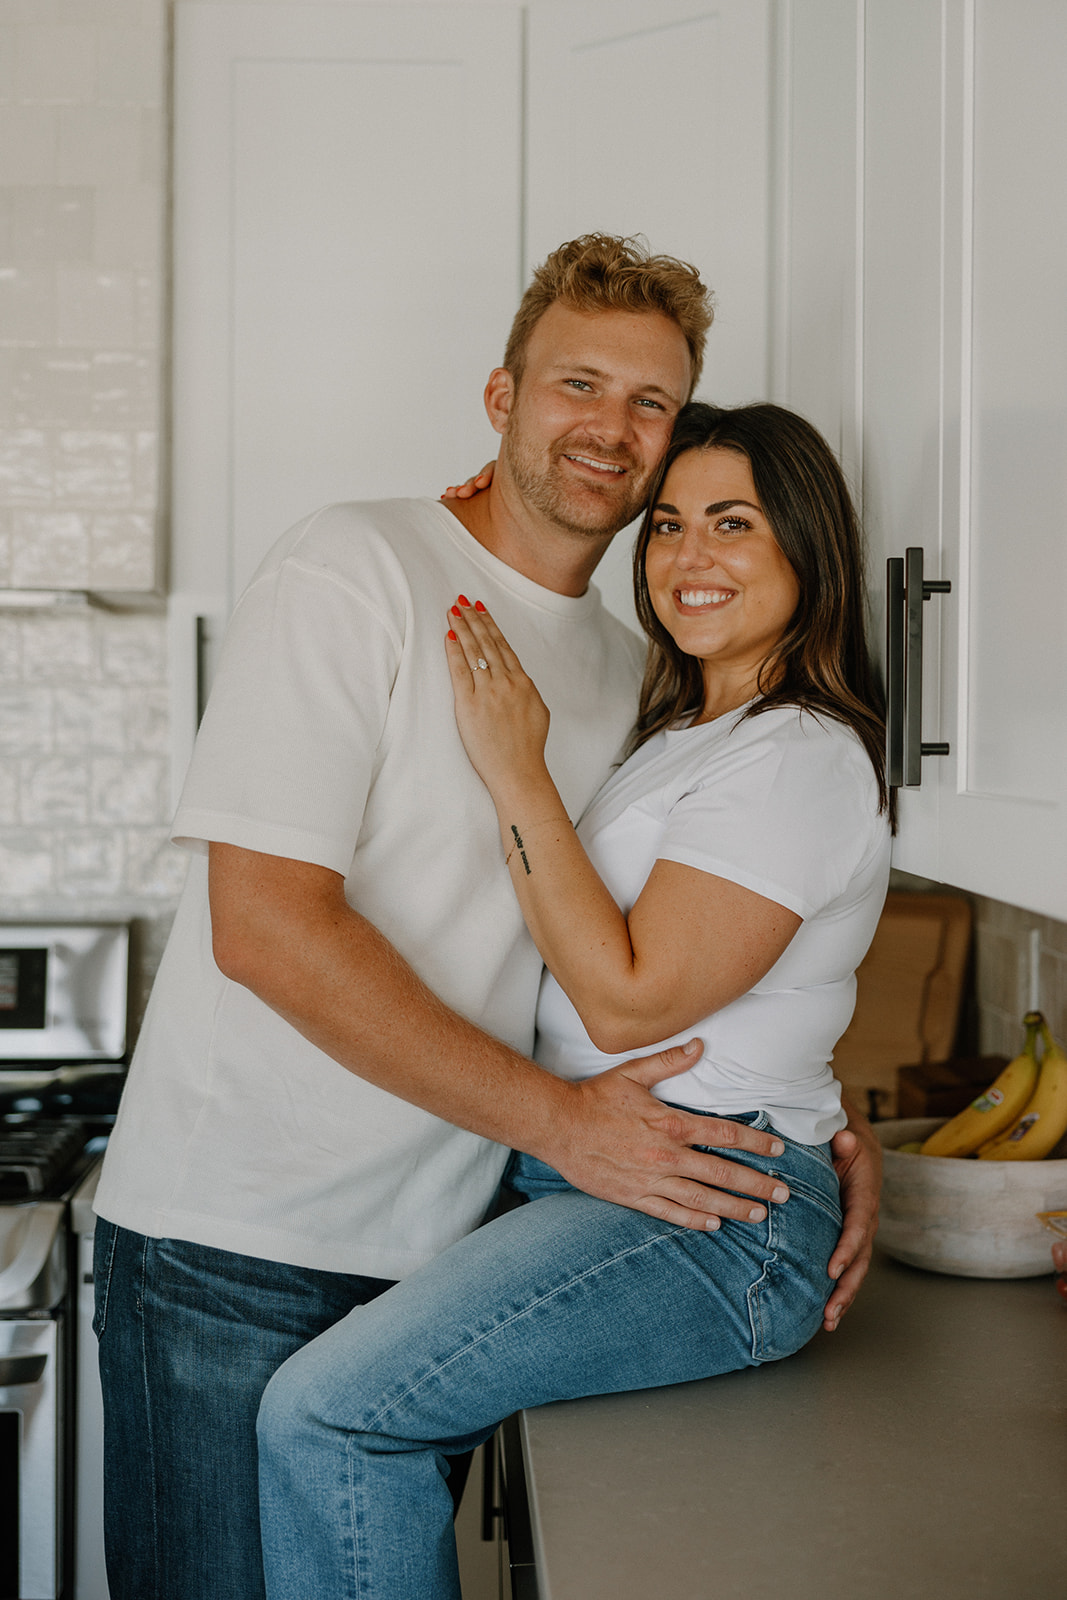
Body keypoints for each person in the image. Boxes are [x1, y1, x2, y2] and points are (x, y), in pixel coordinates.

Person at [91, 236, 880, 1600]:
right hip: (235, 1245)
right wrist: (564, 1123)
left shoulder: (640, 666)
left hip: (454, 1231)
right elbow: (265, 929)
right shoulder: (355, 567)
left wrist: (815, 1125)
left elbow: (676, 931)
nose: (612, 428)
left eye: (649, 401)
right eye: (578, 383)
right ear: (499, 395)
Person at [255, 400, 893, 1599]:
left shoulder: (799, 751)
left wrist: (513, 766)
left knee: (326, 1418)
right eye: (664, 527)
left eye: (730, 524)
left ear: (808, 549)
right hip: (639, 1177)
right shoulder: (690, 734)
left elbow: (627, 1002)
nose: (685, 558)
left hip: (710, 1215)